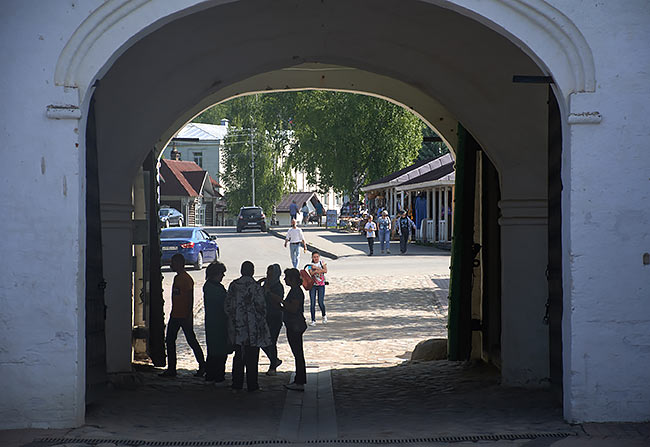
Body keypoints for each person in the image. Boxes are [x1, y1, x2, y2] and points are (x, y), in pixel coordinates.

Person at [225, 261, 271, 391]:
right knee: (252, 357)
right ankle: (252, 384)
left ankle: (236, 383)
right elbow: (262, 307)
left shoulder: (234, 285)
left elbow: (227, 306)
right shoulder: (256, 287)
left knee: (238, 356)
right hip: (253, 329)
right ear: (252, 271)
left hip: (238, 327)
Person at [160, 254, 206, 377]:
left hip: (183, 315)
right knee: (170, 340)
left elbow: (190, 298)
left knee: (191, 341)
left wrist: (188, 314)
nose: (171, 265)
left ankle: (202, 365)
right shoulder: (177, 278)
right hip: (175, 314)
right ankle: (172, 368)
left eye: (174, 262)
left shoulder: (186, 279)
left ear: (180, 263)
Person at [203, 261, 230, 383]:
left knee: (215, 350)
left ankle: (213, 374)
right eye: (221, 273)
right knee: (217, 351)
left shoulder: (212, 286)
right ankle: (216, 374)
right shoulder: (212, 288)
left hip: (215, 322)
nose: (223, 276)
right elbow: (224, 302)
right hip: (217, 323)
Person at [282, 268, 307, 391]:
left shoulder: (296, 291)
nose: (285, 279)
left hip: (295, 325)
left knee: (298, 353)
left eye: (286, 277)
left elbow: (293, 308)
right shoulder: (294, 290)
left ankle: (300, 381)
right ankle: (299, 379)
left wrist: (280, 301)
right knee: (297, 353)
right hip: (292, 324)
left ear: (292, 279)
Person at [259, 264, 284, 376]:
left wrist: (268, 292)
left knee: (272, 341)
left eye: (271, 273)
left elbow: (277, 301)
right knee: (262, 341)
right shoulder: (265, 284)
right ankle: (274, 360)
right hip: (264, 316)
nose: (268, 275)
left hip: (275, 316)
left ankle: (273, 366)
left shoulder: (278, 286)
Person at [306, 251, 327, 326]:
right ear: (312, 257)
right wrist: (318, 270)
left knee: (320, 302)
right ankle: (313, 320)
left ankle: (324, 315)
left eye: (317, 257)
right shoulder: (309, 265)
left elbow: (325, 270)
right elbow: (311, 273)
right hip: (313, 285)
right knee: (312, 303)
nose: (316, 258)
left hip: (321, 284)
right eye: (314, 257)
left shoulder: (322, 262)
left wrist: (317, 268)